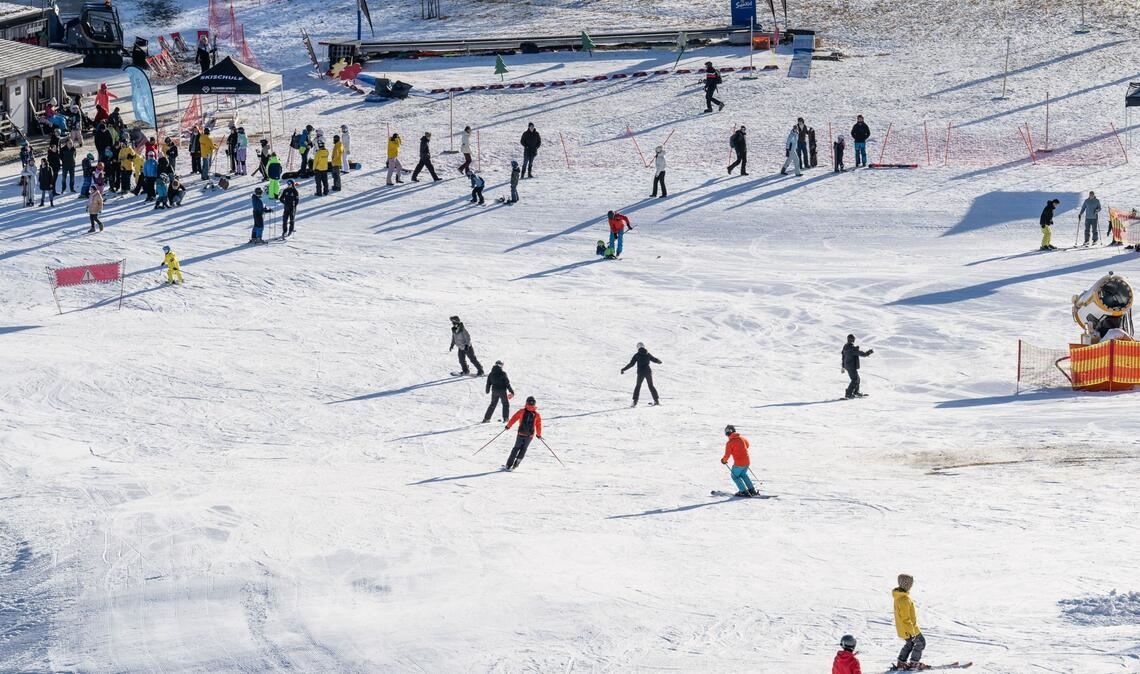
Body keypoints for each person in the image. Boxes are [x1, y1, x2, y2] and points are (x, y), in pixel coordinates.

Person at [893, 574, 926, 671]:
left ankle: (901, 662)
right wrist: (912, 633)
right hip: (910, 629)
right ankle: (914, 663)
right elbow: (906, 619)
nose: (911, 585)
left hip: (904, 629)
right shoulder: (904, 599)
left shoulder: (899, 597)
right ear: (907, 585)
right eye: (910, 584)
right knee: (921, 643)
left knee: (909, 644)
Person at [504, 396, 541, 471]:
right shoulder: (537, 414)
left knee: (515, 449)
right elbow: (538, 425)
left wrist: (508, 426)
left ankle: (508, 465)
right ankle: (516, 464)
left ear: (526, 402)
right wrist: (538, 434)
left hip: (521, 434)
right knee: (523, 449)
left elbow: (514, 418)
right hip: (529, 436)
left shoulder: (522, 411)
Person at [621, 342, 661, 406]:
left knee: (638, 386)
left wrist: (623, 369)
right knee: (651, 385)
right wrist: (659, 361)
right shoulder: (648, 354)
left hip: (641, 373)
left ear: (638, 347)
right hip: (648, 372)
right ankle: (656, 401)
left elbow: (631, 364)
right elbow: (654, 359)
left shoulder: (637, 355)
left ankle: (635, 402)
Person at [720, 425, 755, 497]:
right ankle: (752, 490)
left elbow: (727, 455)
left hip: (739, 463)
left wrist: (723, 460)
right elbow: (747, 445)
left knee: (735, 476)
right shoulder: (742, 438)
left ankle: (743, 491)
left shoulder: (730, 443)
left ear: (727, 433)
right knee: (743, 475)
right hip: (747, 462)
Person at [842, 334, 874, 399]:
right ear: (851, 339)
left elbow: (843, 356)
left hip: (848, 365)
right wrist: (868, 352)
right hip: (851, 366)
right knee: (855, 379)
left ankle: (855, 392)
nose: (854, 340)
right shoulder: (851, 348)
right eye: (853, 339)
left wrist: (843, 366)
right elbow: (861, 353)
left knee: (857, 379)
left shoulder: (845, 347)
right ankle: (848, 394)